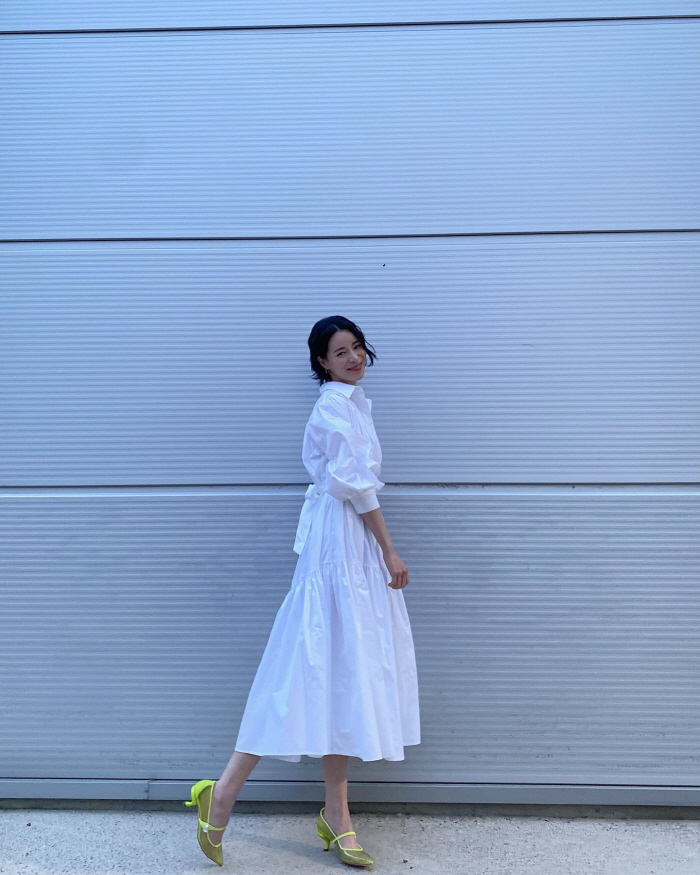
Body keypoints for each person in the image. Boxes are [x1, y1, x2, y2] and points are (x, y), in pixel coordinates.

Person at [184, 315, 421, 868]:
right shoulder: (334, 408)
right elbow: (357, 488)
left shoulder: (355, 405)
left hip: (348, 547)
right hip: (340, 547)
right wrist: (389, 550)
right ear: (321, 362)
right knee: (299, 669)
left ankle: (337, 814)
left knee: (344, 671)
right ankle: (222, 793)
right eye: (341, 352)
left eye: (358, 347)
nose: (354, 358)